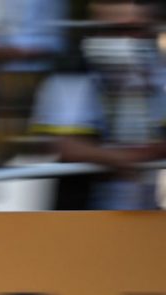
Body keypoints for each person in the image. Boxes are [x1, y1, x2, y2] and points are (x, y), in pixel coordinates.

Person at [29, 0, 166, 209]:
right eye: (119, 30)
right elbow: (66, 146)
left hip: (152, 213)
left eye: (140, 29)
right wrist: (126, 158)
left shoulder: (159, 72)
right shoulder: (73, 72)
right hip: (90, 212)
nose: (130, 38)